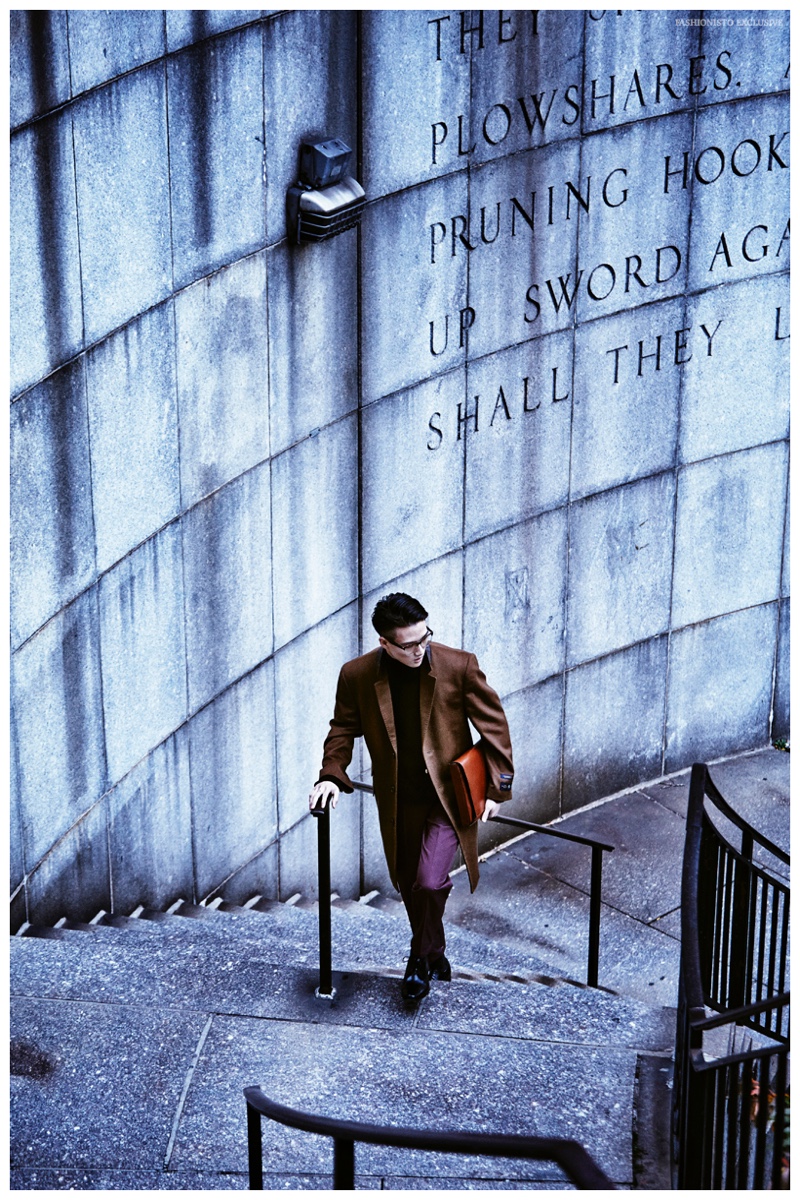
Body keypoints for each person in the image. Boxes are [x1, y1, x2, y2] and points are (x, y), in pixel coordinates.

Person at [308, 592, 514, 1003]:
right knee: (409, 884)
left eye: (425, 637)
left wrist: (496, 788)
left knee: (429, 880)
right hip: (399, 802)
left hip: (448, 798)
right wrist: (331, 775)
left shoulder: (459, 666)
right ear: (385, 643)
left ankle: (418, 960)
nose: (421, 649)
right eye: (409, 644)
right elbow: (342, 729)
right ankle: (435, 950)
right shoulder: (358, 675)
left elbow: (494, 727)